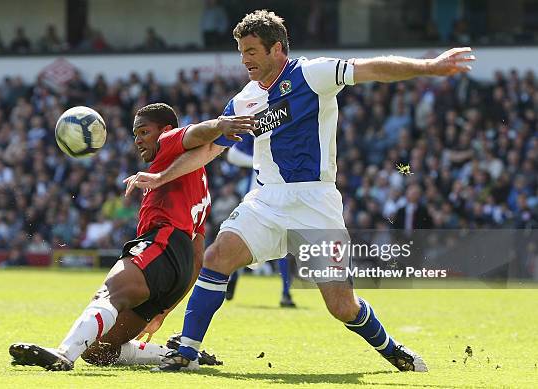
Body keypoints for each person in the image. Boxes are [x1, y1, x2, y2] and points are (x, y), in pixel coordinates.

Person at [125, 10, 474, 372]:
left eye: (252, 51)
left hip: (315, 202)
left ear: (277, 49)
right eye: (241, 52)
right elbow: (210, 150)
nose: (245, 60)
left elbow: (371, 68)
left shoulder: (312, 74)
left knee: (341, 306)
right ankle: (187, 351)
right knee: (217, 257)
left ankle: (390, 348)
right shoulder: (243, 101)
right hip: (267, 199)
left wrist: (429, 66)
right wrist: (161, 176)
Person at [8, 103, 255, 371]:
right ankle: (172, 354)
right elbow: (197, 257)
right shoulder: (198, 183)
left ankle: (64, 355)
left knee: (109, 293)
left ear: (166, 131)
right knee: (98, 352)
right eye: (135, 134)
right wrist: (164, 309)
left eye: (144, 132)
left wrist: (220, 125)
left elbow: (194, 132)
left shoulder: (169, 143)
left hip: (162, 244)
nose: (138, 140)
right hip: (177, 268)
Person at [225, 137, 296, 307]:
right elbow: (233, 155)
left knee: (285, 244)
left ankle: (286, 294)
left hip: (283, 197)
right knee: (242, 242)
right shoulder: (262, 124)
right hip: (256, 198)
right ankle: (232, 277)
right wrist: (259, 162)